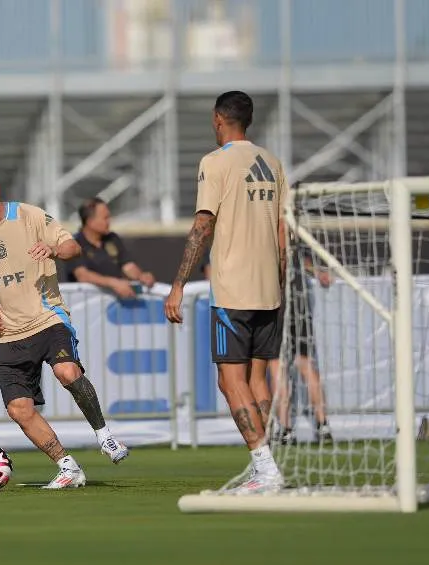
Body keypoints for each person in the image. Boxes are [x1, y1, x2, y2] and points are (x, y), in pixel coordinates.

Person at [0, 165, 129, 489]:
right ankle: (68, 467)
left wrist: (52, 249)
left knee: (67, 372)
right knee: (19, 409)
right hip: (9, 332)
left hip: (47, 317)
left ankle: (104, 436)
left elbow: (73, 248)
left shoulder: (30, 216)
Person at [164, 91, 287, 493]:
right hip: (269, 286)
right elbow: (283, 231)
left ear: (219, 119)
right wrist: (281, 279)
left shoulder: (215, 162)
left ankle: (265, 466)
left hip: (233, 287)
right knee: (257, 379)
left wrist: (179, 284)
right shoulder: (272, 162)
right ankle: (265, 461)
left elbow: (203, 224)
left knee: (229, 381)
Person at [268, 244, 333, 445]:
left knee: (278, 366)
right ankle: (323, 426)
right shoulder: (292, 231)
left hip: (276, 302)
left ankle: (286, 429)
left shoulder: (266, 226)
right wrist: (317, 271)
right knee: (305, 364)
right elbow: (302, 259)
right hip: (299, 301)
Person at [64, 197, 157, 299]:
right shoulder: (74, 244)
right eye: (105, 218)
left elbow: (128, 266)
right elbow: (82, 275)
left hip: (114, 306)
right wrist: (113, 283)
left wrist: (141, 276)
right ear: (90, 221)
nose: (109, 221)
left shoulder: (112, 239)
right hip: (85, 306)